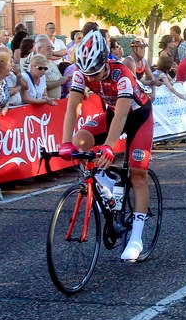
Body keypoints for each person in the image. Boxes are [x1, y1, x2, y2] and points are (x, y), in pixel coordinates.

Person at [59, 30, 153, 261]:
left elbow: (123, 114)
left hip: (138, 116)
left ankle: (137, 238)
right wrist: (64, 142)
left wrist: (110, 147)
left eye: (97, 73)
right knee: (81, 141)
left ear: (106, 61)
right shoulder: (82, 73)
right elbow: (72, 107)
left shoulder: (122, 74)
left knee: (138, 173)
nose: (93, 79)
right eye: (88, 74)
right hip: (112, 115)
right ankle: (104, 183)